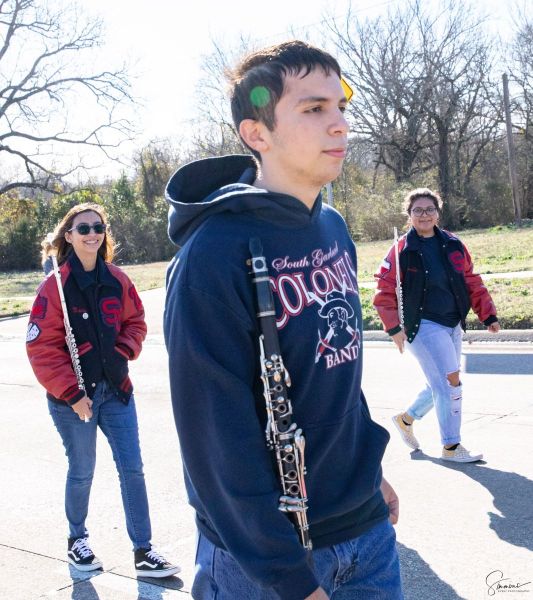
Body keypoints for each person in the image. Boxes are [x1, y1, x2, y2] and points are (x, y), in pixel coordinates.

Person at [163, 41, 403, 599]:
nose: (340, 125)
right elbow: (214, 439)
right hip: (267, 561)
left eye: (341, 106)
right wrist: (287, 578)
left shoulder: (334, 228)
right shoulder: (212, 255)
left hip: (365, 530)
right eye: (313, 109)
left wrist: (368, 474)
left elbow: (332, 373)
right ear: (257, 134)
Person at [26, 203, 180, 578]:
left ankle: (143, 551)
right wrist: (73, 395)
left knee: (133, 470)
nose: (92, 233)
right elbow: (41, 347)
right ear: (69, 236)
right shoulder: (55, 287)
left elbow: (136, 321)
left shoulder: (118, 280)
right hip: (73, 399)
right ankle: (76, 541)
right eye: (83, 229)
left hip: (116, 392)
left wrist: (123, 352)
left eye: (97, 227)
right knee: (82, 471)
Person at [373, 188, 500, 462]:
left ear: (438, 212)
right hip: (422, 325)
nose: (424, 215)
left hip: (452, 322)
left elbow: (471, 280)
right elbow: (384, 291)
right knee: (451, 381)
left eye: (429, 209)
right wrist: (394, 328)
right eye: (417, 210)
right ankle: (451, 447)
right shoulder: (400, 251)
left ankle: (407, 419)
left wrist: (487, 314)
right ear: (409, 216)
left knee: (440, 382)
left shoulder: (453, 244)